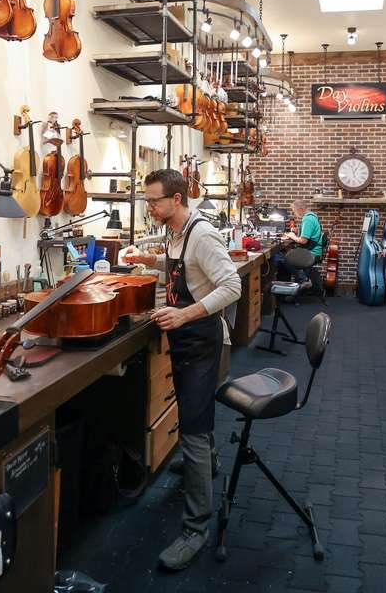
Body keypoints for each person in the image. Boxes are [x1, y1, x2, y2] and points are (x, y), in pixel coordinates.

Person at [123, 168, 241, 571]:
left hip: (204, 340)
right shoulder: (176, 231)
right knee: (196, 414)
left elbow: (231, 286)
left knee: (192, 426)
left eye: (154, 201)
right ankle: (205, 463)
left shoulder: (202, 233)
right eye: (147, 200)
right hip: (187, 338)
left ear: (176, 199)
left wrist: (183, 314)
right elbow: (182, 268)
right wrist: (149, 260)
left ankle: (196, 528)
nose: (149, 207)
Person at [275, 197, 323, 282]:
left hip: (311, 252)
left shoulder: (308, 219)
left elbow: (303, 241)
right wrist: (298, 231)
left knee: (281, 258)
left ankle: (303, 280)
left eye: (294, 210)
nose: (294, 213)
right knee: (283, 257)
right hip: (313, 250)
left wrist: (293, 236)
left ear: (300, 209)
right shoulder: (311, 216)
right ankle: (292, 285)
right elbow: (308, 234)